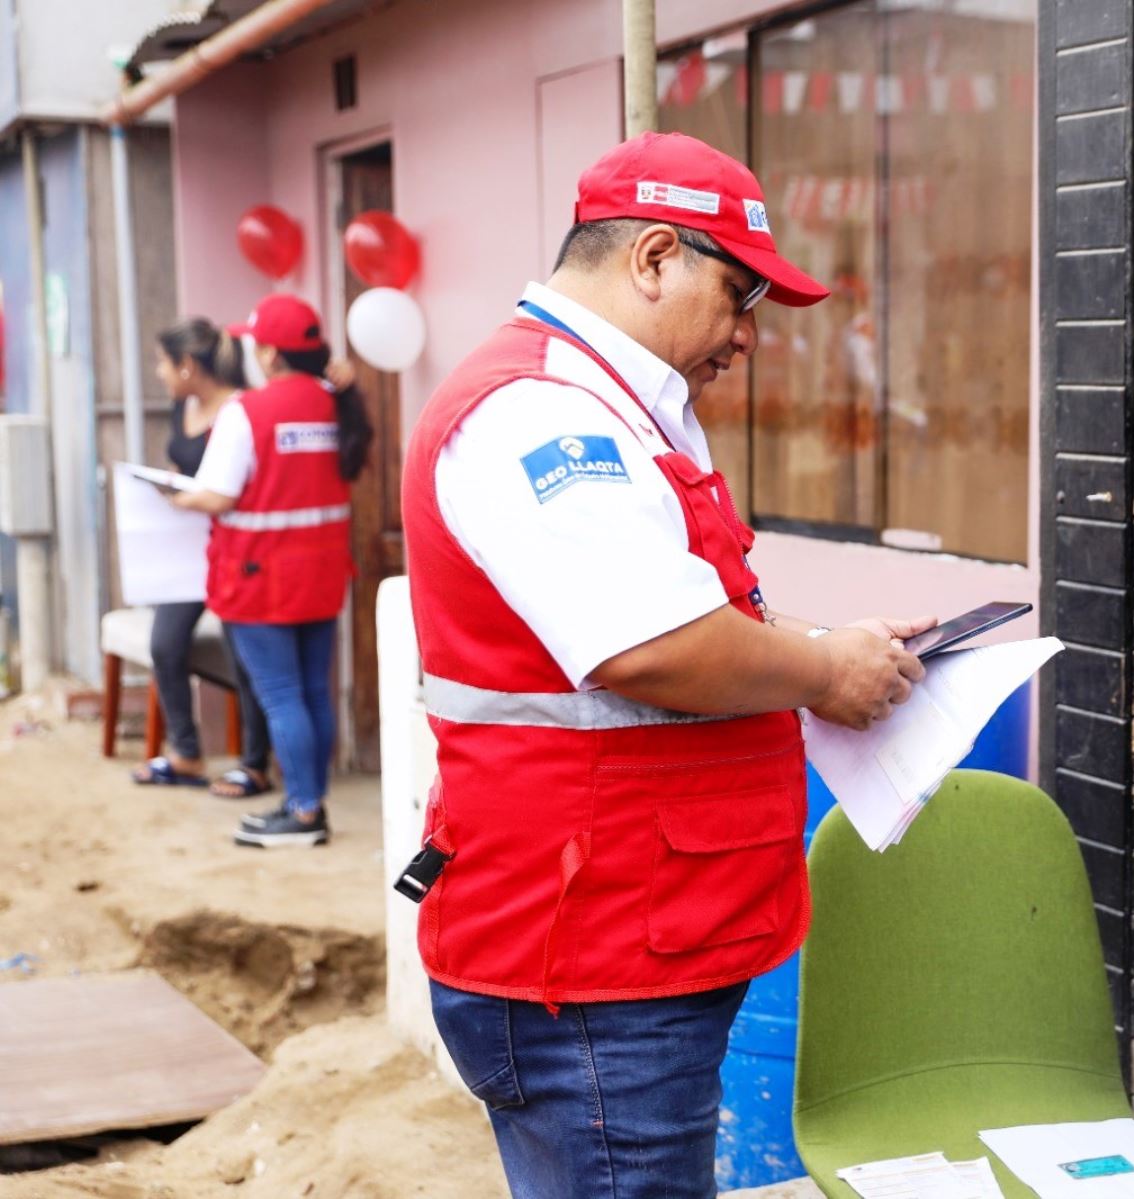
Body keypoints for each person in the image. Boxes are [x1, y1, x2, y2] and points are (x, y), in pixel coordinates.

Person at [401, 131, 931, 1199]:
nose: (745, 338)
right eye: (738, 299)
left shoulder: (614, 406)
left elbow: (698, 608)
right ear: (652, 258)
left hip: (637, 929)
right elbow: (652, 643)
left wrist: (819, 647)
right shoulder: (544, 414)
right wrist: (825, 671)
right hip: (595, 958)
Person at [173, 293, 373, 848]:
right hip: (322, 573)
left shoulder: (248, 411)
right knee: (311, 693)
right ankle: (310, 802)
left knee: (283, 696)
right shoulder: (336, 402)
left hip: (260, 578)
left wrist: (175, 496)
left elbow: (216, 496)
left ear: (270, 353)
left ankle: (304, 811)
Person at [130, 318, 273, 799]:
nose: (159, 373)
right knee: (165, 645)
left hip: (234, 553)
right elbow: (185, 466)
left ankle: (254, 765)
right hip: (185, 554)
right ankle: (186, 753)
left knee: (244, 656)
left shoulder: (242, 410)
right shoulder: (182, 407)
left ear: (188, 365)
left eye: (163, 362)